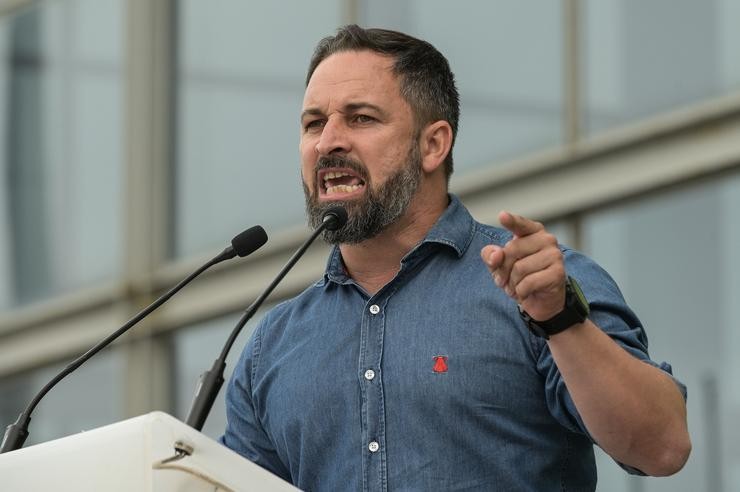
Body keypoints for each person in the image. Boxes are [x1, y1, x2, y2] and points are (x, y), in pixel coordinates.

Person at [221, 25, 691, 491]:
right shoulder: (272, 348)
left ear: (433, 145)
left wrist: (559, 318)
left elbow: (662, 447)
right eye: (314, 123)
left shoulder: (537, 285)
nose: (328, 142)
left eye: (361, 118)